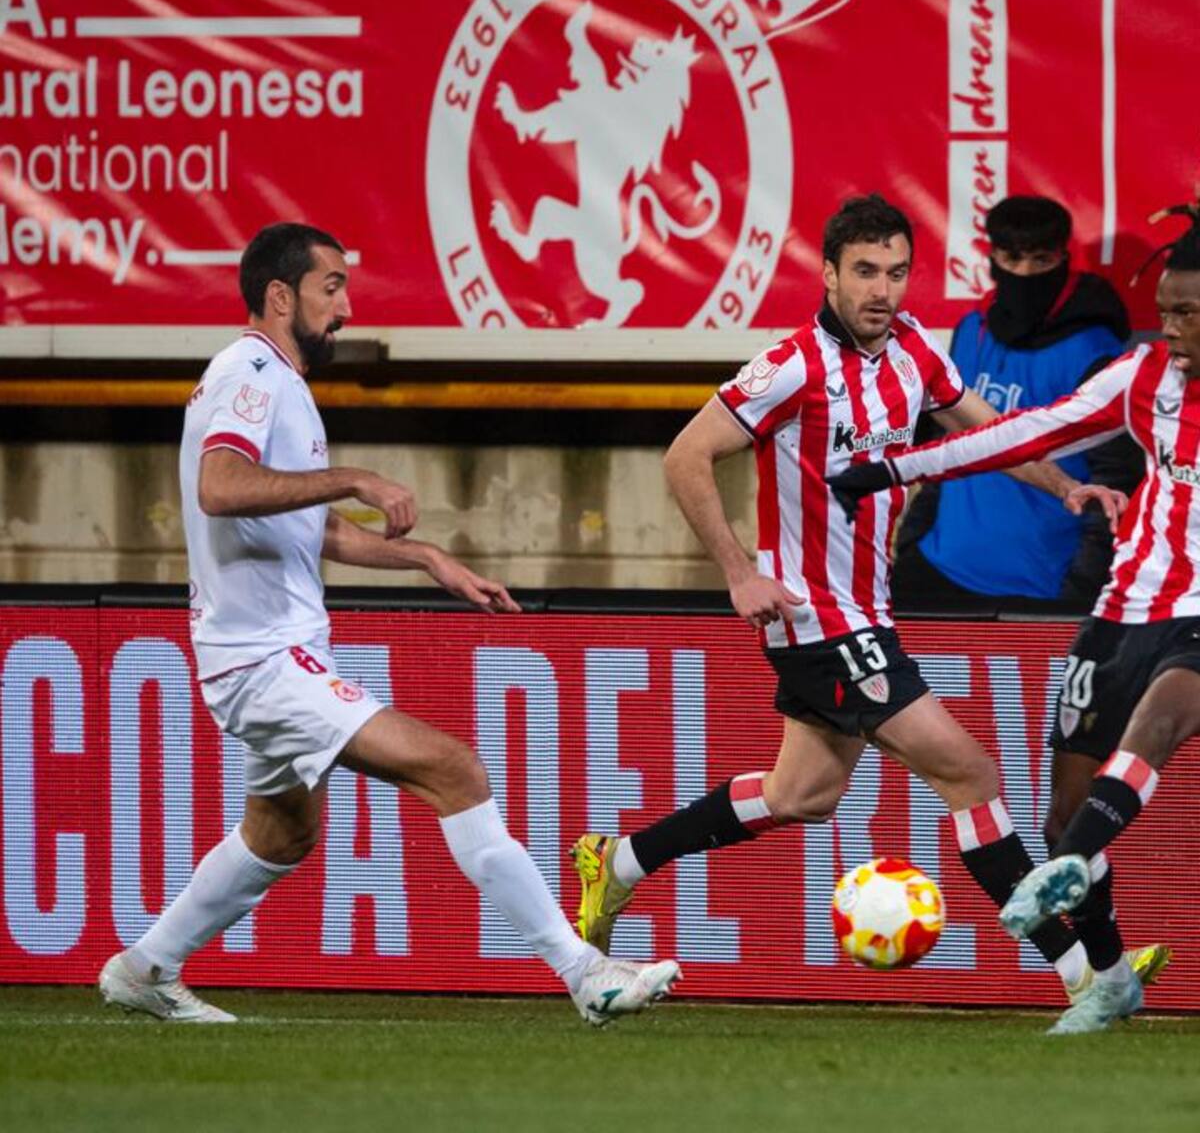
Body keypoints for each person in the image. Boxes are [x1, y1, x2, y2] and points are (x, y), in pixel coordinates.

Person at [569, 194, 1144, 1016]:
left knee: (803, 794)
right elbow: (686, 456)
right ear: (829, 273)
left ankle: (619, 861)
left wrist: (1064, 484)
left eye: (898, 272)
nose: (883, 289)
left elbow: (984, 431)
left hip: (866, 613)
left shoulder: (913, 350)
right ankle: (1084, 976)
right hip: (816, 619)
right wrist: (739, 571)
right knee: (972, 773)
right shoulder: (791, 365)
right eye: (865, 272)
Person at [97, 222, 679, 1026]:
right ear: (279, 296)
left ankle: (146, 966)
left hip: (264, 653)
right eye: (330, 286)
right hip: (262, 660)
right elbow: (222, 487)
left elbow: (308, 526)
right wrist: (356, 475)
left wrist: (430, 559)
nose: (344, 305)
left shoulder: (279, 384)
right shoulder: (250, 369)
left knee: (282, 831)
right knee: (453, 768)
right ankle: (586, 973)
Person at [826, 201, 1200, 1033]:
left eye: (1185, 313)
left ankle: (1065, 869)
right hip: (1125, 609)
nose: (1166, 327)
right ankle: (1108, 980)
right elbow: (1020, 433)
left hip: (1199, 619)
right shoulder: (1144, 380)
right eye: (1165, 309)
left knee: (1164, 717)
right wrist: (894, 469)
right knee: (1063, 807)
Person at [893, 196, 1141, 613]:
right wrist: (913, 540)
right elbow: (948, 442)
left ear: (1063, 259)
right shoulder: (971, 330)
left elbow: (1117, 485)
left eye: (1041, 260)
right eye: (1012, 258)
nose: (1025, 273)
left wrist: (1079, 592)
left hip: (1038, 590)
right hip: (934, 571)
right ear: (992, 258)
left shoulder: (1096, 353)